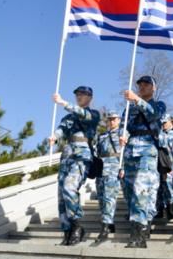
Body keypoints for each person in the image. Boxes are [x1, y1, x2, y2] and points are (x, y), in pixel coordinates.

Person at [49, 86, 100, 246]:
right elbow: (62, 129)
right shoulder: (69, 117)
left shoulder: (93, 114)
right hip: (67, 156)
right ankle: (67, 231)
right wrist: (54, 137)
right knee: (61, 197)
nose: (79, 96)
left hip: (81, 155)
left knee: (69, 188)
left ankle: (77, 225)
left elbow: (83, 114)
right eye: (77, 94)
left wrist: (62, 102)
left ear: (90, 97)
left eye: (83, 94)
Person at [119, 75, 166, 248]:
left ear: (153, 88)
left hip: (147, 149)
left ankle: (137, 234)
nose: (142, 86)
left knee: (141, 189)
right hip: (131, 151)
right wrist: (121, 135)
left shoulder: (158, 105)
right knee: (131, 192)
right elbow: (122, 126)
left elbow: (153, 115)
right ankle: (144, 224)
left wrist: (136, 100)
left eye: (147, 84)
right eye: (140, 84)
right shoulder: (128, 108)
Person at [94, 111, 121, 243]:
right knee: (101, 198)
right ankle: (110, 223)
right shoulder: (102, 136)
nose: (111, 121)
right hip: (101, 168)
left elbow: (127, 152)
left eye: (114, 119)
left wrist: (124, 167)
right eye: (109, 119)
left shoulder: (123, 134)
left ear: (119, 120)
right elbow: (96, 152)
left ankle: (104, 227)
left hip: (114, 168)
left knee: (109, 197)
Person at [156, 114, 173, 220]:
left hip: (169, 165)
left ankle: (170, 210)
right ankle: (160, 210)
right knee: (159, 189)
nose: (163, 125)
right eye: (161, 123)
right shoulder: (159, 134)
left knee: (169, 188)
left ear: (170, 122)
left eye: (165, 122)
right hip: (159, 165)